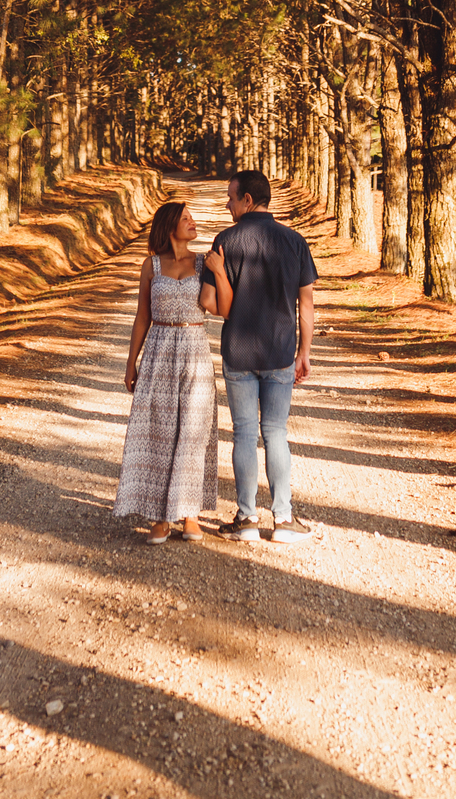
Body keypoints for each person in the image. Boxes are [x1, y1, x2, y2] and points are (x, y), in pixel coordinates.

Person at [199, 168, 317, 544]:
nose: (228, 204)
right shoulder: (295, 241)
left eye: (231, 198)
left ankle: (247, 518)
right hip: (281, 351)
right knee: (276, 434)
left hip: (238, 351)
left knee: (245, 434)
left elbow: (207, 303)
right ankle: (283, 520)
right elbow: (306, 304)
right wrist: (304, 353)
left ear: (247, 200)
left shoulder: (224, 241)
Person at [113, 199, 229, 544]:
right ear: (169, 227)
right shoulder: (150, 266)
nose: (193, 223)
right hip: (159, 350)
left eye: (192, 218)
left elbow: (221, 307)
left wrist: (220, 271)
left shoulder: (203, 262)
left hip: (195, 347)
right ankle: (161, 517)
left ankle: (190, 514)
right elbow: (141, 317)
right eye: (186, 219)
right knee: (159, 433)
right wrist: (130, 361)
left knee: (193, 431)